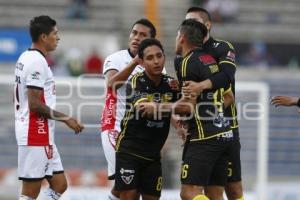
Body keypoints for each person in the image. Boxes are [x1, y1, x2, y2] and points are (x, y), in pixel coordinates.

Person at [14, 16, 84, 200]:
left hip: (42, 133)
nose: (58, 38)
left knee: (60, 185)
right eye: (55, 33)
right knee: (30, 193)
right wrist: (66, 118)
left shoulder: (26, 56)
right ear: (44, 37)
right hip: (34, 131)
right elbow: (34, 104)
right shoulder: (37, 62)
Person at [183, 7, 244, 200]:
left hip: (227, 126)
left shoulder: (223, 48)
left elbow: (226, 77)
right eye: (187, 22)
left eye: (194, 21)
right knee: (210, 191)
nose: (190, 26)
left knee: (233, 189)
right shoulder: (184, 56)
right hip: (201, 130)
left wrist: (201, 86)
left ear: (208, 25)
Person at [175, 19, 233, 200]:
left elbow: (187, 107)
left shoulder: (185, 62)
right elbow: (229, 97)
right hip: (224, 133)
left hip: (203, 136)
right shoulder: (210, 60)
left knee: (189, 193)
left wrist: (162, 107)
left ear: (182, 38)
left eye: (177, 35)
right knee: (215, 195)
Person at [114, 38, 179, 200]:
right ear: (141, 62)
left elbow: (186, 108)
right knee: (129, 196)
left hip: (153, 155)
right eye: (150, 58)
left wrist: (181, 125)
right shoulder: (137, 81)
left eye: (159, 56)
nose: (156, 61)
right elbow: (145, 110)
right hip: (130, 151)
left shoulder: (171, 84)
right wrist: (175, 107)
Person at [100, 18, 157, 200]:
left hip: (140, 134)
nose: (136, 38)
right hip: (115, 128)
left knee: (131, 189)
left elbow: (161, 100)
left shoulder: (156, 66)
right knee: (128, 187)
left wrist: (177, 125)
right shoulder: (115, 58)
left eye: (142, 35)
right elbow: (112, 84)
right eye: (134, 33)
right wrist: (135, 62)